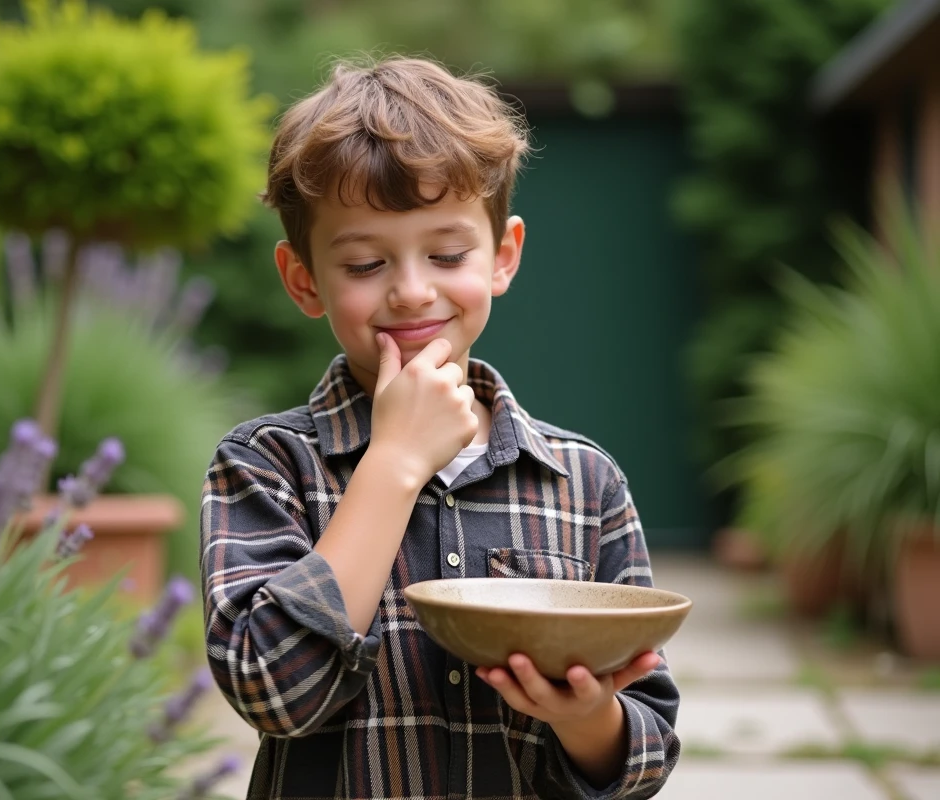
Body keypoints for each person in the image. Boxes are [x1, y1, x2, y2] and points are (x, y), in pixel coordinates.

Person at [199, 55, 680, 799]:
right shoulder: (266, 465)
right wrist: (392, 462)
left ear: (503, 256)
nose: (412, 290)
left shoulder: (585, 481)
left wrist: (588, 716)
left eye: (447, 253)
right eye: (364, 263)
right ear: (303, 281)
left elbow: (647, 747)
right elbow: (270, 690)